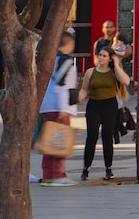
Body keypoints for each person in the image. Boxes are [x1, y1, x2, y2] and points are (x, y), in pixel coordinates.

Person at [78, 46, 129, 181]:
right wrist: (80, 97)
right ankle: (86, 168)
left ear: (109, 58)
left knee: (107, 137)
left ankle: (108, 168)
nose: (101, 58)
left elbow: (126, 81)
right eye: (100, 55)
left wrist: (116, 64)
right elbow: (84, 89)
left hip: (109, 106)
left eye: (104, 56)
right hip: (94, 106)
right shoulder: (90, 72)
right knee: (92, 137)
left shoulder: (114, 73)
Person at [40, 32, 78, 186]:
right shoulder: (65, 61)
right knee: (59, 142)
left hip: (47, 106)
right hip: (58, 106)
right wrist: (63, 109)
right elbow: (61, 86)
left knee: (49, 142)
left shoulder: (50, 60)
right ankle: (57, 175)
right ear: (69, 44)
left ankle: (49, 175)